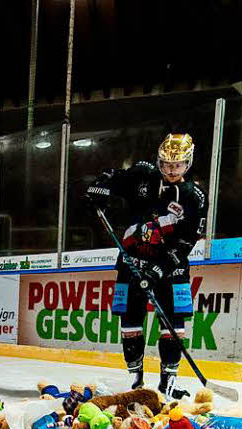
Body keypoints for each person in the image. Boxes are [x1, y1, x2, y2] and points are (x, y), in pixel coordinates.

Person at [86, 133, 207, 399]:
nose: (170, 170)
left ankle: (168, 381)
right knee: (130, 322)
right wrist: (100, 187)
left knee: (174, 325)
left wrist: (159, 269)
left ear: (188, 163)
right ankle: (136, 378)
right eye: (165, 164)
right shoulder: (143, 174)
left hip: (171, 268)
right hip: (132, 262)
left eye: (177, 165)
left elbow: (187, 241)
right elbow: (112, 176)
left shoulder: (194, 197)